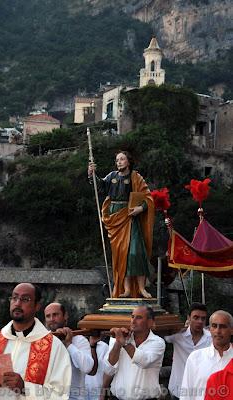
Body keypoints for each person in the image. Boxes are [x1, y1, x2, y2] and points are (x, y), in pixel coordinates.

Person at [0, 283, 72, 400]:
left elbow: (61, 394)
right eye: (14, 298)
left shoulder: (54, 347)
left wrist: (25, 388)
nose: (17, 303)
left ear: (37, 305)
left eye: (25, 299)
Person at [88, 151, 155, 298]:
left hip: (131, 216)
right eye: (117, 159)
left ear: (128, 162)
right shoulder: (111, 176)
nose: (119, 162)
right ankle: (126, 289)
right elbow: (100, 186)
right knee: (121, 254)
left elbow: (148, 198)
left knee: (136, 252)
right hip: (115, 218)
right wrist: (92, 174)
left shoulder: (136, 177)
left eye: (122, 159)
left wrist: (140, 208)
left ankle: (142, 288)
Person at [103, 305, 166, 400]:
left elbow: (144, 362)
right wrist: (118, 343)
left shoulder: (158, 342)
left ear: (150, 322)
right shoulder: (120, 339)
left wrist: (124, 342)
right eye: (132, 317)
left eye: (139, 317)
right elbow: (109, 367)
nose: (133, 321)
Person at [44, 302, 94, 400]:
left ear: (65, 316)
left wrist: (69, 345)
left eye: (55, 315)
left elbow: (87, 367)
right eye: (48, 316)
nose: (51, 319)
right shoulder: (42, 342)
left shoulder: (79, 340)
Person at [180, 310, 233, 400]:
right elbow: (186, 394)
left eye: (223, 326)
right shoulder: (195, 358)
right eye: (214, 326)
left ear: (231, 330)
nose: (218, 331)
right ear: (209, 330)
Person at [165, 302, 212, 399]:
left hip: (201, 391)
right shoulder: (178, 336)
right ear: (188, 318)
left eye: (203, 318)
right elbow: (160, 334)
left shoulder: (211, 338)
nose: (200, 321)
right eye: (196, 317)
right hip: (178, 389)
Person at [85, 334, 109, 400]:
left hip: (97, 393)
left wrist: (103, 393)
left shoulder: (104, 347)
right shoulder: (77, 344)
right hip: (78, 393)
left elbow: (108, 372)